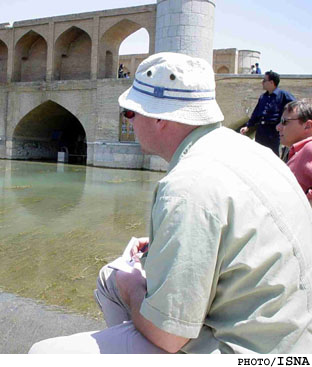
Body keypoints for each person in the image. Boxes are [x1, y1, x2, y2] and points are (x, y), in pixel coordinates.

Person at [29, 52, 312, 354]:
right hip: (293, 336)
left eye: (130, 113)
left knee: (44, 353)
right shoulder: (253, 152)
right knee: (110, 276)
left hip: (251, 353)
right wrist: (167, 240)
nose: (131, 121)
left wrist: (132, 288)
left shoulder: (186, 185)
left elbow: (169, 335)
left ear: (160, 117)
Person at [240, 71, 295, 155]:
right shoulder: (263, 97)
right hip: (261, 130)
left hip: (274, 132)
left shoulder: (283, 95)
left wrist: (285, 123)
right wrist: (248, 126)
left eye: (264, 80)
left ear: (271, 82)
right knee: (258, 154)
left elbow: (296, 106)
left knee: (273, 156)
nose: (262, 82)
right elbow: (256, 113)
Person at [276, 99, 312, 205]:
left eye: (284, 122)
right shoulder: (297, 149)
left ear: (308, 126)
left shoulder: (309, 148)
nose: (278, 127)